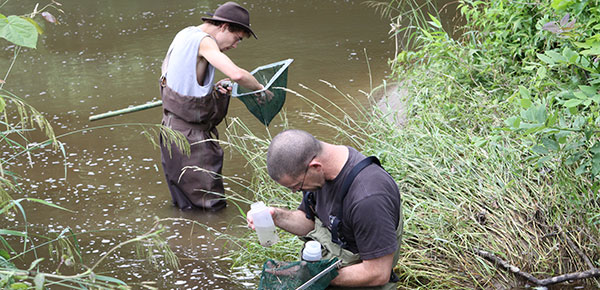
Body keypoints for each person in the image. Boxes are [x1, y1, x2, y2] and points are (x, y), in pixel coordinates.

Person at [248, 129, 403, 289]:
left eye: (297, 186)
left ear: (315, 166)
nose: (296, 192)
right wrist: (276, 216)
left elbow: (377, 273)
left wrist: (313, 277)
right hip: (334, 267)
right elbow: (309, 223)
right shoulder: (321, 173)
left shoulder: (369, 198)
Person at [159, 2, 271, 211]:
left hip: (169, 130)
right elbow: (237, 74)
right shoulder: (205, 42)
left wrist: (206, 93)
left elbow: (169, 73)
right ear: (224, 27)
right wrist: (259, 88)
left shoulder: (184, 34)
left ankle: (190, 241)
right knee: (210, 206)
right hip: (192, 138)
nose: (235, 46)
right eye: (237, 39)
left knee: (184, 203)